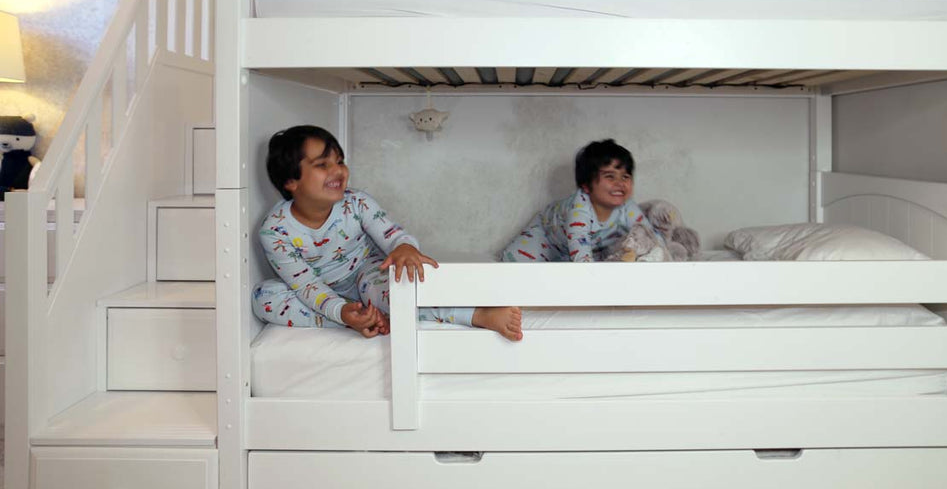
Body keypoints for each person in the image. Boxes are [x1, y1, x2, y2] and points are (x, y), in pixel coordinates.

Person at [252, 125, 522, 341]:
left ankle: (477, 315)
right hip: (317, 293)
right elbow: (306, 286)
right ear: (291, 181)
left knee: (403, 285)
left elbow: (393, 234)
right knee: (264, 297)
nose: (338, 171)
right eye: (322, 165)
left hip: (365, 275)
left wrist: (403, 248)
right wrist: (342, 312)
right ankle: (354, 322)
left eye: (340, 161)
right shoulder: (274, 231)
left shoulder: (357, 203)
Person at [500, 138, 663, 263]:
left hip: (581, 245)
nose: (620, 183)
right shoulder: (580, 210)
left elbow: (650, 235)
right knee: (516, 266)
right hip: (546, 237)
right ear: (586, 185)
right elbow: (582, 261)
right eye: (610, 176)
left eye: (626, 177)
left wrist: (665, 255)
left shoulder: (628, 208)